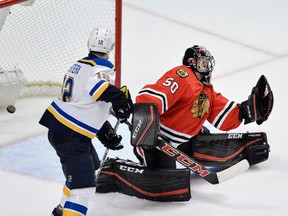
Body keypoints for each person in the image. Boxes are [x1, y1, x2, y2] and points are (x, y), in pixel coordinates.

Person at [39, 27, 133, 216]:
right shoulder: (101, 67)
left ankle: (61, 210)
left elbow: (84, 102)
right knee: (84, 189)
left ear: (88, 44)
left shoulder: (78, 66)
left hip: (65, 129)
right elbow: (100, 89)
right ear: (111, 47)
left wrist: (103, 129)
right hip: (71, 135)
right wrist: (120, 100)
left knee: (91, 168)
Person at [133, 45, 273, 169]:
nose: (209, 69)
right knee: (166, 183)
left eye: (209, 64)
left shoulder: (207, 92)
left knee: (202, 134)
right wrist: (146, 120)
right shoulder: (183, 75)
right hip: (158, 140)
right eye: (204, 64)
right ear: (192, 64)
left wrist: (247, 111)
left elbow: (223, 114)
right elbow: (156, 96)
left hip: (181, 142)